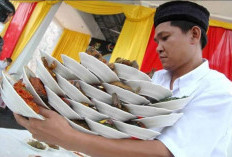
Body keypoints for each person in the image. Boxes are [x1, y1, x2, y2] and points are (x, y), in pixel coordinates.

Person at [13, 1, 232, 157]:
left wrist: (70, 138)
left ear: (194, 35)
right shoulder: (155, 80)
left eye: (165, 38)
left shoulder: (217, 89)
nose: (158, 48)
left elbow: (166, 152)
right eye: (156, 40)